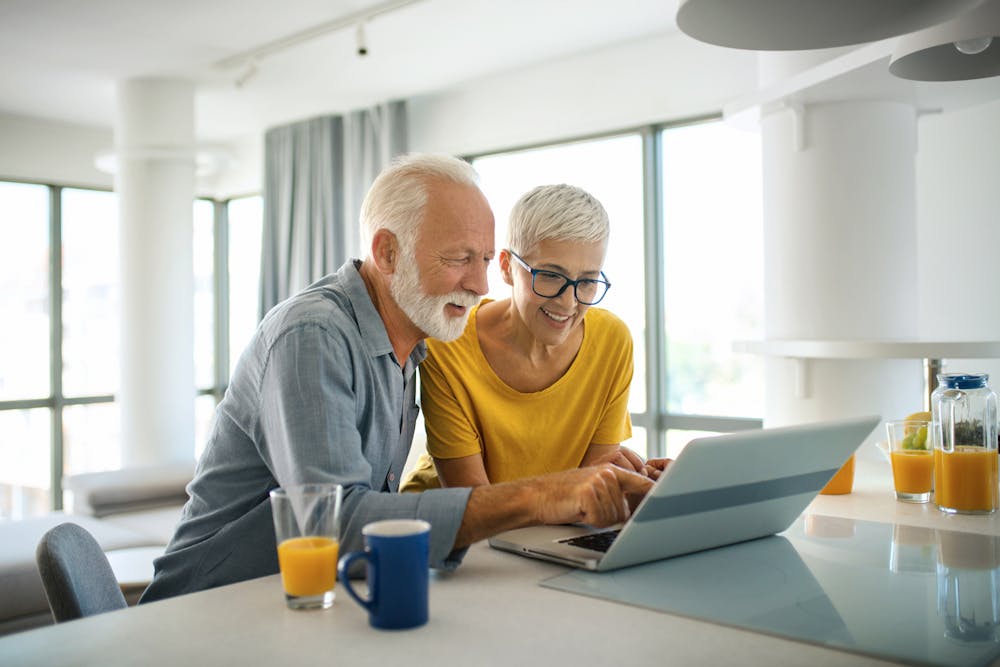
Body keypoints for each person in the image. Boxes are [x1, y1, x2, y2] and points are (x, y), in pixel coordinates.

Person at [140, 154, 653, 603]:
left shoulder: (414, 343)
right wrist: (541, 495)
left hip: (315, 600)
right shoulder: (314, 335)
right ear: (387, 253)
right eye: (457, 259)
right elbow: (336, 526)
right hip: (211, 609)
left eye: (480, 260)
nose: (478, 286)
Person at [402, 183, 658, 493]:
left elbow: (592, 491)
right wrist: (577, 493)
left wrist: (641, 485)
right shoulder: (448, 342)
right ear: (508, 268)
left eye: (588, 281)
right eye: (550, 276)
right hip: (448, 533)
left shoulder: (612, 342)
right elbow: (472, 503)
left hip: (549, 532)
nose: (568, 303)